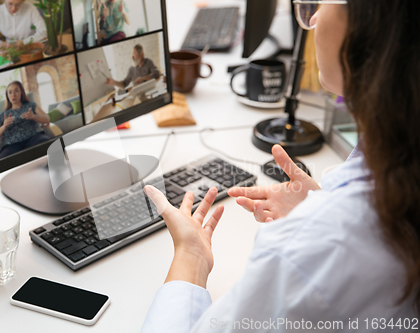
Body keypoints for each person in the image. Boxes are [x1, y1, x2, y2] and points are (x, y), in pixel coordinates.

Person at [140, 0, 420, 331]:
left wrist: (191, 257)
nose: (313, 18)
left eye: (321, 3)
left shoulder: (315, 247)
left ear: (371, 24)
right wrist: (320, 202)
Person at [0, 81, 51, 159]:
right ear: (7, 96)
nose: (13, 94)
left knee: (47, 145)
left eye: (16, 91)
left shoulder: (31, 105)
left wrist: (34, 116)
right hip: (12, 145)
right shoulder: (2, 116)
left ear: (21, 92)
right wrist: (4, 126)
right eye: (10, 92)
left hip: (34, 138)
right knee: (3, 161)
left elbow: (47, 119)